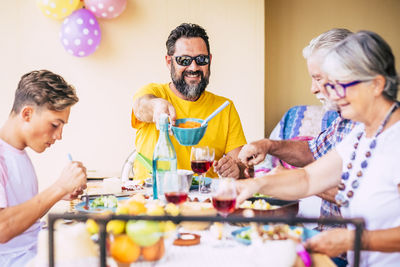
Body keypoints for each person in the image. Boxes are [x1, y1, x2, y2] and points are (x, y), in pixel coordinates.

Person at [236, 31, 400, 267]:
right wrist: (252, 185)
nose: (332, 95)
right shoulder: (360, 136)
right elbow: (308, 178)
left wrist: (352, 239)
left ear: (376, 84)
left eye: (341, 85)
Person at [240, 29, 356, 229]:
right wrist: (268, 146)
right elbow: (312, 153)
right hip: (328, 237)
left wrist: (281, 180)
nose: (313, 89)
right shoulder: (344, 119)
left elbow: (353, 194)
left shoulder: (375, 127)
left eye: (318, 78)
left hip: (346, 249)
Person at [131, 23, 247, 181]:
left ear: (210, 60)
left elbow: (243, 165)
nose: (194, 67)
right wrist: (157, 106)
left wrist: (236, 169)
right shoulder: (154, 93)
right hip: (152, 200)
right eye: (184, 60)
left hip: (205, 201)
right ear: (168, 61)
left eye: (201, 59)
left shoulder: (224, 108)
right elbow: (141, 107)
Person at [0, 70, 87, 266]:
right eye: (55, 125)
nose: (59, 136)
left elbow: (23, 217)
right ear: (27, 114)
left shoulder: (18, 153)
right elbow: (3, 228)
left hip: (36, 249)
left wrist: (60, 194)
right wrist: (58, 188)